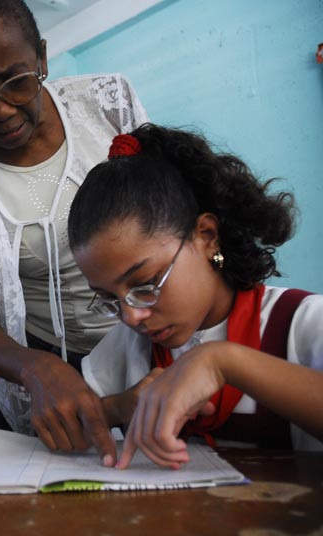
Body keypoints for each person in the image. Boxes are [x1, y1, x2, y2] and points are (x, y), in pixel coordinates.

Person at [0, 0, 147, 464]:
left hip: (150, 332)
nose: (1, 110)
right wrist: (37, 368)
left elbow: (166, 209)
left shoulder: (105, 103)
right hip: (56, 366)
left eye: (16, 82)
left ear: (42, 58)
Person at [68, 123, 323, 470]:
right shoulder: (128, 348)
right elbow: (64, 431)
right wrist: (117, 407)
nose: (131, 317)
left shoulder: (301, 323)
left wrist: (222, 362)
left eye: (146, 285)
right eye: (109, 299)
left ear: (206, 236)